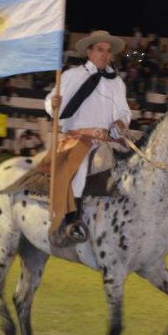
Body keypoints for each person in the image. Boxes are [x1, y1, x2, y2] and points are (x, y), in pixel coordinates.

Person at [42, 30, 131, 247]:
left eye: (108, 51)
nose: (105, 55)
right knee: (79, 165)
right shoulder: (71, 76)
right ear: (89, 51)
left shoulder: (117, 83)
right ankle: (71, 220)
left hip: (107, 140)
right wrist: (52, 105)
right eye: (100, 50)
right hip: (77, 137)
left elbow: (124, 112)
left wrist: (120, 123)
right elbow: (51, 102)